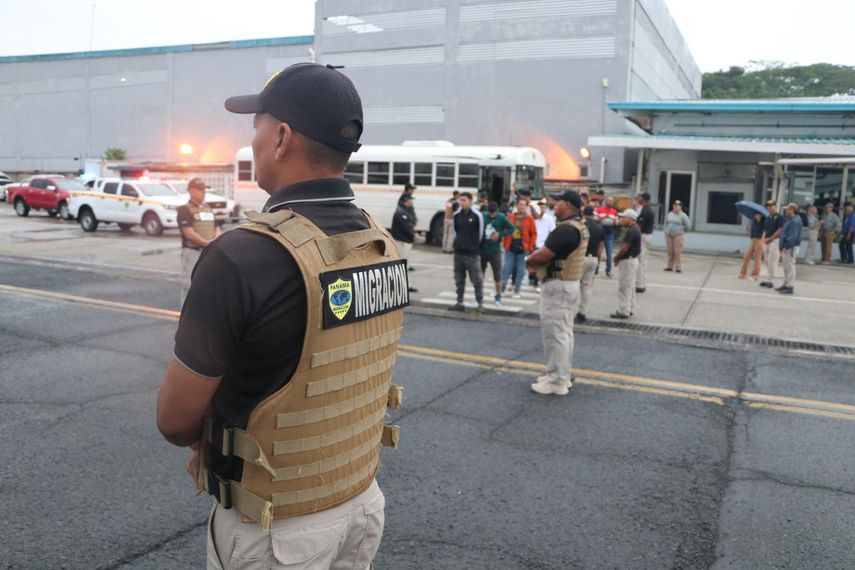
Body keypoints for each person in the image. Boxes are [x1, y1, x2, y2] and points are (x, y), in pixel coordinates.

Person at [156, 63, 407, 570]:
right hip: (360, 502)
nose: (252, 141)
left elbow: (175, 420)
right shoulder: (380, 243)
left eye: (257, 127)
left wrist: (211, 442)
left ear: (282, 138)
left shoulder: (240, 257)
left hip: (276, 530)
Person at [525, 190, 588, 396]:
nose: (554, 203)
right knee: (563, 333)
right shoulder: (577, 226)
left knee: (556, 334)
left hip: (559, 286)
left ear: (567, 204)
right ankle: (560, 374)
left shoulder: (566, 230)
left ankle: (557, 381)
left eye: (558, 201)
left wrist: (529, 260)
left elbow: (543, 254)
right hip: (568, 285)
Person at [176, 178, 220, 305]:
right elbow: (189, 233)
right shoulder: (184, 209)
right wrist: (207, 243)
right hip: (193, 252)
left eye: (204, 190)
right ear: (191, 191)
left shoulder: (207, 208)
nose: (203, 192)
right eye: (200, 190)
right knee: (189, 286)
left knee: (208, 284)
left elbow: (216, 226)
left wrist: (215, 241)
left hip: (209, 252)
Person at [452, 192, 485, 312]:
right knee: (459, 279)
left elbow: (481, 234)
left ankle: (480, 303)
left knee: (477, 280)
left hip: (472, 254)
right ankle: (459, 302)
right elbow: (454, 232)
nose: (461, 202)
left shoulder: (477, 215)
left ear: (470, 201)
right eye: (460, 200)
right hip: (459, 253)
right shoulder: (456, 215)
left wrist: (474, 246)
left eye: (464, 200)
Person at [502, 197, 537, 299]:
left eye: (524, 205)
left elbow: (533, 233)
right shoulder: (510, 217)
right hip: (510, 247)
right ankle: (502, 289)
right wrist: (505, 243)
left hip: (523, 248)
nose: (522, 207)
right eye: (520, 204)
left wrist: (530, 246)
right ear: (517, 205)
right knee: (506, 268)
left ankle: (517, 290)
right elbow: (505, 230)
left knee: (521, 270)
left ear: (526, 207)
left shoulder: (530, 219)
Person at [480, 201, 514, 304]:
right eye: (490, 213)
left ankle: (498, 295)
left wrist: (500, 234)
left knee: (497, 275)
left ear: (497, 211)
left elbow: (512, 228)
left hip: (495, 251)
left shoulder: (501, 217)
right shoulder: (482, 216)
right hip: (482, 250)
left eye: (493, 213)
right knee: (480, 274)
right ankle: (479, 295)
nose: (491, 215)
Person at [611, 210, 641, 319]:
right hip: (632, 260)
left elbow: (625, 248)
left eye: (624, 217)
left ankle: (623, 310)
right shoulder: (635, 229)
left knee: (624, 286)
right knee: (630, 285)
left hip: (628, 261)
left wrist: (616, 257)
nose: (621, 219)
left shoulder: (632, 231)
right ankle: (630, 307)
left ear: (630, 218)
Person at [576, 205, 604, 323]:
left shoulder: (582, 226)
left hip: (582, 257)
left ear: (583, 213)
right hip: (593, 258)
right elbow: (601, 246)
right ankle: (582, 311)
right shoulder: (599, 227)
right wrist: (598, 260)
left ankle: (572, 309)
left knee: (575, 284)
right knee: (587, 285)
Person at [391, 193, 418, 292]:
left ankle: (404, 285)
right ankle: (402, 285)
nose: (412, 201)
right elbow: (405, 227)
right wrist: (413, 235)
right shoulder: (400, 212)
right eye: (410, 199)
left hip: (405, 241)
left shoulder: (405, 210)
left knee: (403, 265)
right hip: (401, 241)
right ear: (406, 200)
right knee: (401, 265)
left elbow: (411, 222)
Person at [777, 202, 803, 295]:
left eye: (788, 209)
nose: (786, 210)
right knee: (786, 266)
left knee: (790, 266)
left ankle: (790, 286)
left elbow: (792, 236)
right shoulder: (791, 219)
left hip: (790, 247)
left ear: (792, 210)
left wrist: (786, 245)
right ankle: (786, 284)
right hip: (787, 246)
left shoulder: (795, 221)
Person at [759, 200, 783, 287]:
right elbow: (765, 229)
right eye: (768, 206)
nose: (769, 207)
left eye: (771, 206)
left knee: (772, 260)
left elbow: (780, 230)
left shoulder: (779, 217)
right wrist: (763, 239)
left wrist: (771, 238)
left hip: (775, 240)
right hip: (767, 240)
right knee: (766, 260)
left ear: (775, 206)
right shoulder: (768, 217)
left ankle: (770, 280)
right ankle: (768, 277)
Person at [634, 192, 655, 293]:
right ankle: (642, 283)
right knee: (644, 260)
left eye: (641, 198)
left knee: (640, 260)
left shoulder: (645, 210)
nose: (639, 199)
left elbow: (639, 226)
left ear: (644, 199)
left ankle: (640, 285)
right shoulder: (649, 209)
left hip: (643, 236)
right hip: (648, 235)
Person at [663, 200, 691, 272]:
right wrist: (665, 230)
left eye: (678, 205)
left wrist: (682, 231)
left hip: (678, 235)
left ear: (680, 207)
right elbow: (666, 223)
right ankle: (670, 266)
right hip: (669, 235)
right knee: (670, 251)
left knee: (677, 251)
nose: (676, 206)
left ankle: (678, 267)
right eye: (674, 205)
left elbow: (688, 226)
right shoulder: (669, 214)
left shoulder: (683, 215)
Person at [595, 196, 619, 278]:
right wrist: (604, 217)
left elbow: (617, 222)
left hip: (609, 234)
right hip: (600, 234)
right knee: (598, 252)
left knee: (609, 253)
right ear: (605, 201)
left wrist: (614, 221)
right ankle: (596, 269)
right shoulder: (598, 209)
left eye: (612, 201)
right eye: (609, 201)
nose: (610, 203)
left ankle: (608, 271)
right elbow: (595, 220)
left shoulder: (614, 211)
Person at [738, 212, 766, 280]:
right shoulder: (754, 222)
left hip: (759, 240)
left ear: (760, 215)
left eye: (757, 214)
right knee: (746, 257)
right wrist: (748, 229)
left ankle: (755, 275)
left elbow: (765, 232)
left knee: (757, 258)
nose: (755, 216)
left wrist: (763, 240)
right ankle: (742, 274)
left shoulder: (764, 223)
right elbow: (752, 231)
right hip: (753, 240)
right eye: (755, 214)